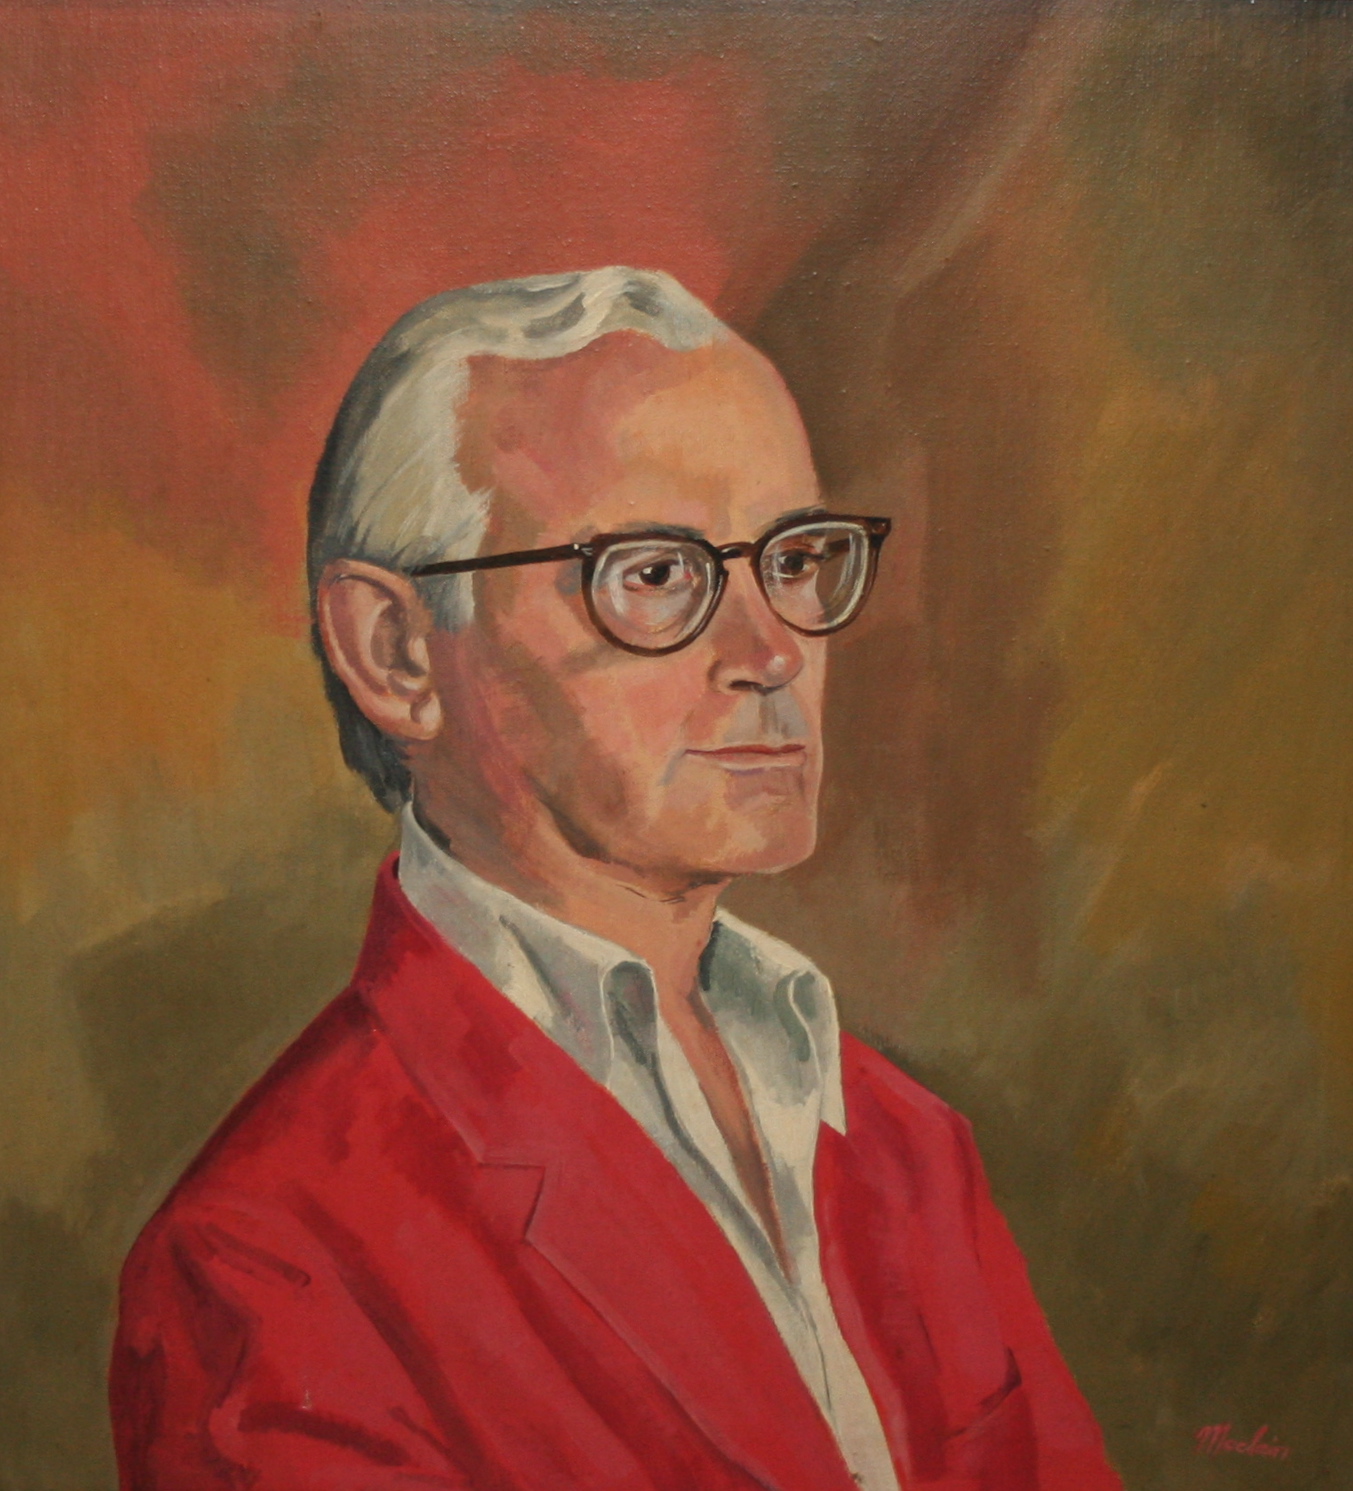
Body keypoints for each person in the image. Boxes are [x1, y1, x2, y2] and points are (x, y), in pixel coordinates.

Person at [110, 268, 1121, 1490]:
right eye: (654, 575)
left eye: (794, 559)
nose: (772, 653)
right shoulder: (272, 1256)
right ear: (396, 653)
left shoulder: (909, 1147)